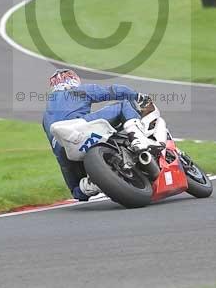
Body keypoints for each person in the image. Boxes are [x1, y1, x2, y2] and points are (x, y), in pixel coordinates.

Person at [42, 69, 160, 201]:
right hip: (80, 127)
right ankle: (137, 139)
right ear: (73, 80)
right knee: (123, 105)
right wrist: (137, 96)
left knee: (76, 191)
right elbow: (113, 91)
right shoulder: (77, 91)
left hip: (63, 149)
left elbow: (58, 154)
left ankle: (89, 186)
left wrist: (70, 173)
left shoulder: (46, 115)